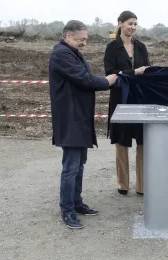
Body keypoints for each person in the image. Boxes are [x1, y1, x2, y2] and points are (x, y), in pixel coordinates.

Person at [49, 20, 118, 229]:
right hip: (70, 118)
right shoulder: (61, 54)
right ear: (68, 36)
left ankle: (77, 203)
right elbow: (84, 78)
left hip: (79, 117)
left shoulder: (74, 53)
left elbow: (86, 76)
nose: (84, 43)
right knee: (70, 166)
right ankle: (67, 210)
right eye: (81, 39)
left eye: (86, 40)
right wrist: (107, 81)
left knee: (79, 164)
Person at [104, 11, 150, 196]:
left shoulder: (141, 46)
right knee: (121, 143)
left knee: (143, 141)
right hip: (120, 99)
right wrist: (134, 73)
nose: (133, 27)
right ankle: (123, 184)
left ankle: (142, 186)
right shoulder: (112, 47)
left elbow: (147, 71)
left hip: (140, 98)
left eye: (135, 24)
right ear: (120, 23)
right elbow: (111, 72)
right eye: (130, 23)